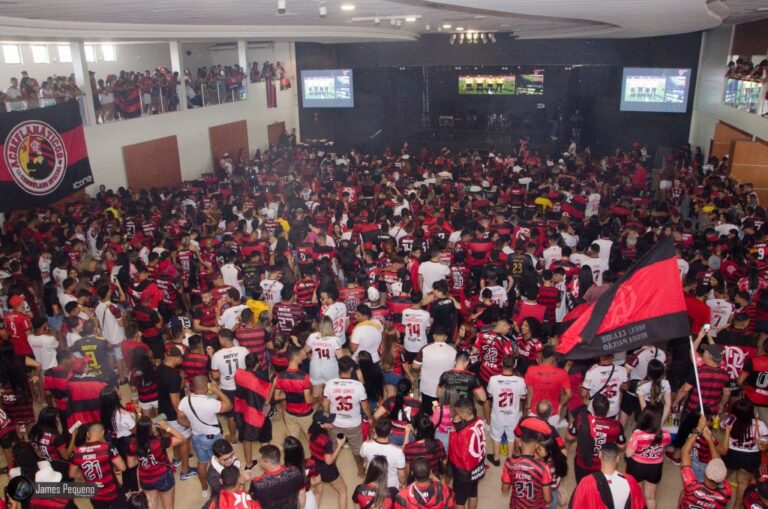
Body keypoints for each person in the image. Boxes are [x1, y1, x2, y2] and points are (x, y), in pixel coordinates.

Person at [177, 375, 232, 499]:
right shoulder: (210, 402)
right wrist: (217, 390)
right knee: (222, 462)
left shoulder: (185, 400)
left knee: (202, 464)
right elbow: (229, 405)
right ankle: (224, 487)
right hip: (214, 438)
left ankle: (204, 489)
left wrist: (191, 425)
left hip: (197, 438)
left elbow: (180, 419)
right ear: (204, 387)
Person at [323, 355, 372, 477]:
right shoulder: (358, 386)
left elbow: (325, 404)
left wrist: (328, 418)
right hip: (353, 424)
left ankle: (332, 470)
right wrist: (370, 418)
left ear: (338, 368)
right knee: (356, 450)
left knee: (334, 446)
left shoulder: (330, 384)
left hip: (335, 423)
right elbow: (365, 407)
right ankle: (360, 470)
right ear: (351, 369)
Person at [716, 397, 768, 508]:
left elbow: (720, 425)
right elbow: (764, 445)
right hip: (751, 457)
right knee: (743, 483)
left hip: (731, 454)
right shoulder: (761, 425)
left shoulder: (729, 421)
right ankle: (737, 505)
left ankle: (715, 499)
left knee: (720, 478)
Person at [127, 416, 185, 509]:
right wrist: (167, 427)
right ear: (149, 430)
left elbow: (131, 464)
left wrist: (145, 460)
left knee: (150, 504)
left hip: (145, 479)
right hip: (163, 477)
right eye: (153, 425)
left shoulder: (133, 443)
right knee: (168, 506)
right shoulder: (159, 441)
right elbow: (181, 438)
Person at [156, 346, 195, 480]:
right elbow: (175, 401)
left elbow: (169, 390)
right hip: (173, 414)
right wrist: (182, 417)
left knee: (173, 436)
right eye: (180, 357)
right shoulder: (173, 376)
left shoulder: (160, 368)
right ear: (174, 357)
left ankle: (176, 459)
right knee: (184, 440)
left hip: (163, 411)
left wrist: (182, 381)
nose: (181, 359)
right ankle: (185, 470)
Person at [567, 394, 626, 482]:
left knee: (582, 487)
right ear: (608, 410)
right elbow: (621, 446)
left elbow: (569, 437)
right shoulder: (616, 426)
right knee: (598, 490)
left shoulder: (581, 419)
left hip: (582, 463)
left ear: (593, 408)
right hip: (603, 465)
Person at [569, 442, 646, 509]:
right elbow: (640, 505)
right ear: (618, 459)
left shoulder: (586, 482)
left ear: (599, 455)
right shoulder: (631, 481)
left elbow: (575, 505)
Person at [69, 423, 128, 509]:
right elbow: (122, 467)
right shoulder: (107, 448)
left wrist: (84, 473)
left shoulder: (76, 452)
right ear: (102, 433)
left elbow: (72, 474)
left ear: (88, 434)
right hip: (112, 491)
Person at [679, 416, 731, 508]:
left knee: (685, 492)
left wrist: (699, 429)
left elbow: (685, 451)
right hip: (700, 464)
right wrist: (711, 440)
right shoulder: (726, 493)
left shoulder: (691, 486)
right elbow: (723, 452)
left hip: (694, 462)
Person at [624, 407, 671, 509]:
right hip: (655, 468)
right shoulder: (666, 434)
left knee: (638, 495)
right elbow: (663, 449)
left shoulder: (637, 434)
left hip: (637, 467)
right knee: (651, 497)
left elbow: (628, 454)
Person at [234, 352, 274, 468]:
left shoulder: (238, 374)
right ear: (257, 364)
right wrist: (272, 384)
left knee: (246, 438)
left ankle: (249, 463)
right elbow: (266, 401)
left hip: (243, 412)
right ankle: (267, 464)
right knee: (265, 439)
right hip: (258, 414)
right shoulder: (259, 380)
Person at [210, 328, 249, 443]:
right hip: (243, 386)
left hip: (228, 388)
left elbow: (215, 375)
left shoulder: (217, 356)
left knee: (231, 415)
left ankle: (233, 437)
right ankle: (246, 435)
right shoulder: (244, 350)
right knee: (244, 411)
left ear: (222, 340)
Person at [486, 355, 526, 467]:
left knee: (496, 436)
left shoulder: (493, 379)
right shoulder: (520, 381)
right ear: (514, 365)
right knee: (512, 437)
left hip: (498, 414)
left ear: (502, 364)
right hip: (513, 415)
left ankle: (496, 458)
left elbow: (490, 395)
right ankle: (510, 459)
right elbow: (523, 397)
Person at [448, 397, 486, 509]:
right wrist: (459, 423)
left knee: (459, 501)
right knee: (473, 493)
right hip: (477, 466)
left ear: (464, 414)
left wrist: (454, 430)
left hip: (464, 472)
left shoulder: (463, 434)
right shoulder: (479, 420)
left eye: (458, 412)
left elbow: (458, 452)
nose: (456, 414)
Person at [100, 385, 139, 492]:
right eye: (117, 391)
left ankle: (126, 488)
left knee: (125, 467)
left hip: (116, 441)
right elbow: (135, 430)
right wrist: (138, 413)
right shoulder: (123, 415)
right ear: (114, 397)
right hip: (128, 442)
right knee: (132, 467)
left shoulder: (105, 412)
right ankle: (135, 491)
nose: (120, 392)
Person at [501, 429, 552, 509]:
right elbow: (547, 499)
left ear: (520, 443)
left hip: (516, 506)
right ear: (536, 445)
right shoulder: (543, 467)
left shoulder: (509, 463)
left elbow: (504, 490)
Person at [309, 410, 349, 509]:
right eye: (329, 421)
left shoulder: (311, 431)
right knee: (343, 491)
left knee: (318, 492)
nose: (332, 422)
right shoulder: (326, 441)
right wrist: (340, 445)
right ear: (321, 425)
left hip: (315, 465)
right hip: (327, 469)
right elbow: (329, 461)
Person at [524, 344, 571, 427]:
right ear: (553, 357)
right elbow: (569, 394)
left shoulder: (531, 369)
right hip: (553, 412)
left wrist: (528, 407)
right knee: (549, 436)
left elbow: (530, 391)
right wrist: (560, 405)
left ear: (542, 354)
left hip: (534, 411)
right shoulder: (562, 373)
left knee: (535, 436)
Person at [413, 325, 457, 412]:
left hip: (427, 388)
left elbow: (415, 366)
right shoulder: (453, 351)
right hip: (444, 390)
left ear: (433, 336)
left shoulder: (425, 349)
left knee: (427, 411)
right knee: (442, 411)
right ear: (446, 337)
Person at [249, 444, 305, 509]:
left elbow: (253, 505)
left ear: (267, 464)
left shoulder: (257, 483)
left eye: (260, 460)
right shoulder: (295, 471)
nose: (259, 462)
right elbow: (302, 496)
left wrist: (242, 482)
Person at [360, 417, 407, 490]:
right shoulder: (398, 451)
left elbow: (362, 455)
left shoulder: (366, 445)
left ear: (375, 430)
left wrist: (372, 438)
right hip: (391, 485)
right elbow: (401, 474)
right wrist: (403, 485)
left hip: (372, 482)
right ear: (391, 431)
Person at [305, 316, 344, 400]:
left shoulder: (312, 336)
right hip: (330, 367)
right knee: (330, 394)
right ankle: (326, 411)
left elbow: (305, 350)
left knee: (316, 394)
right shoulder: (335, 339)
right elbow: (341, 358)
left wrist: (312, 356)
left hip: (315, 367)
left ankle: (316, 410)